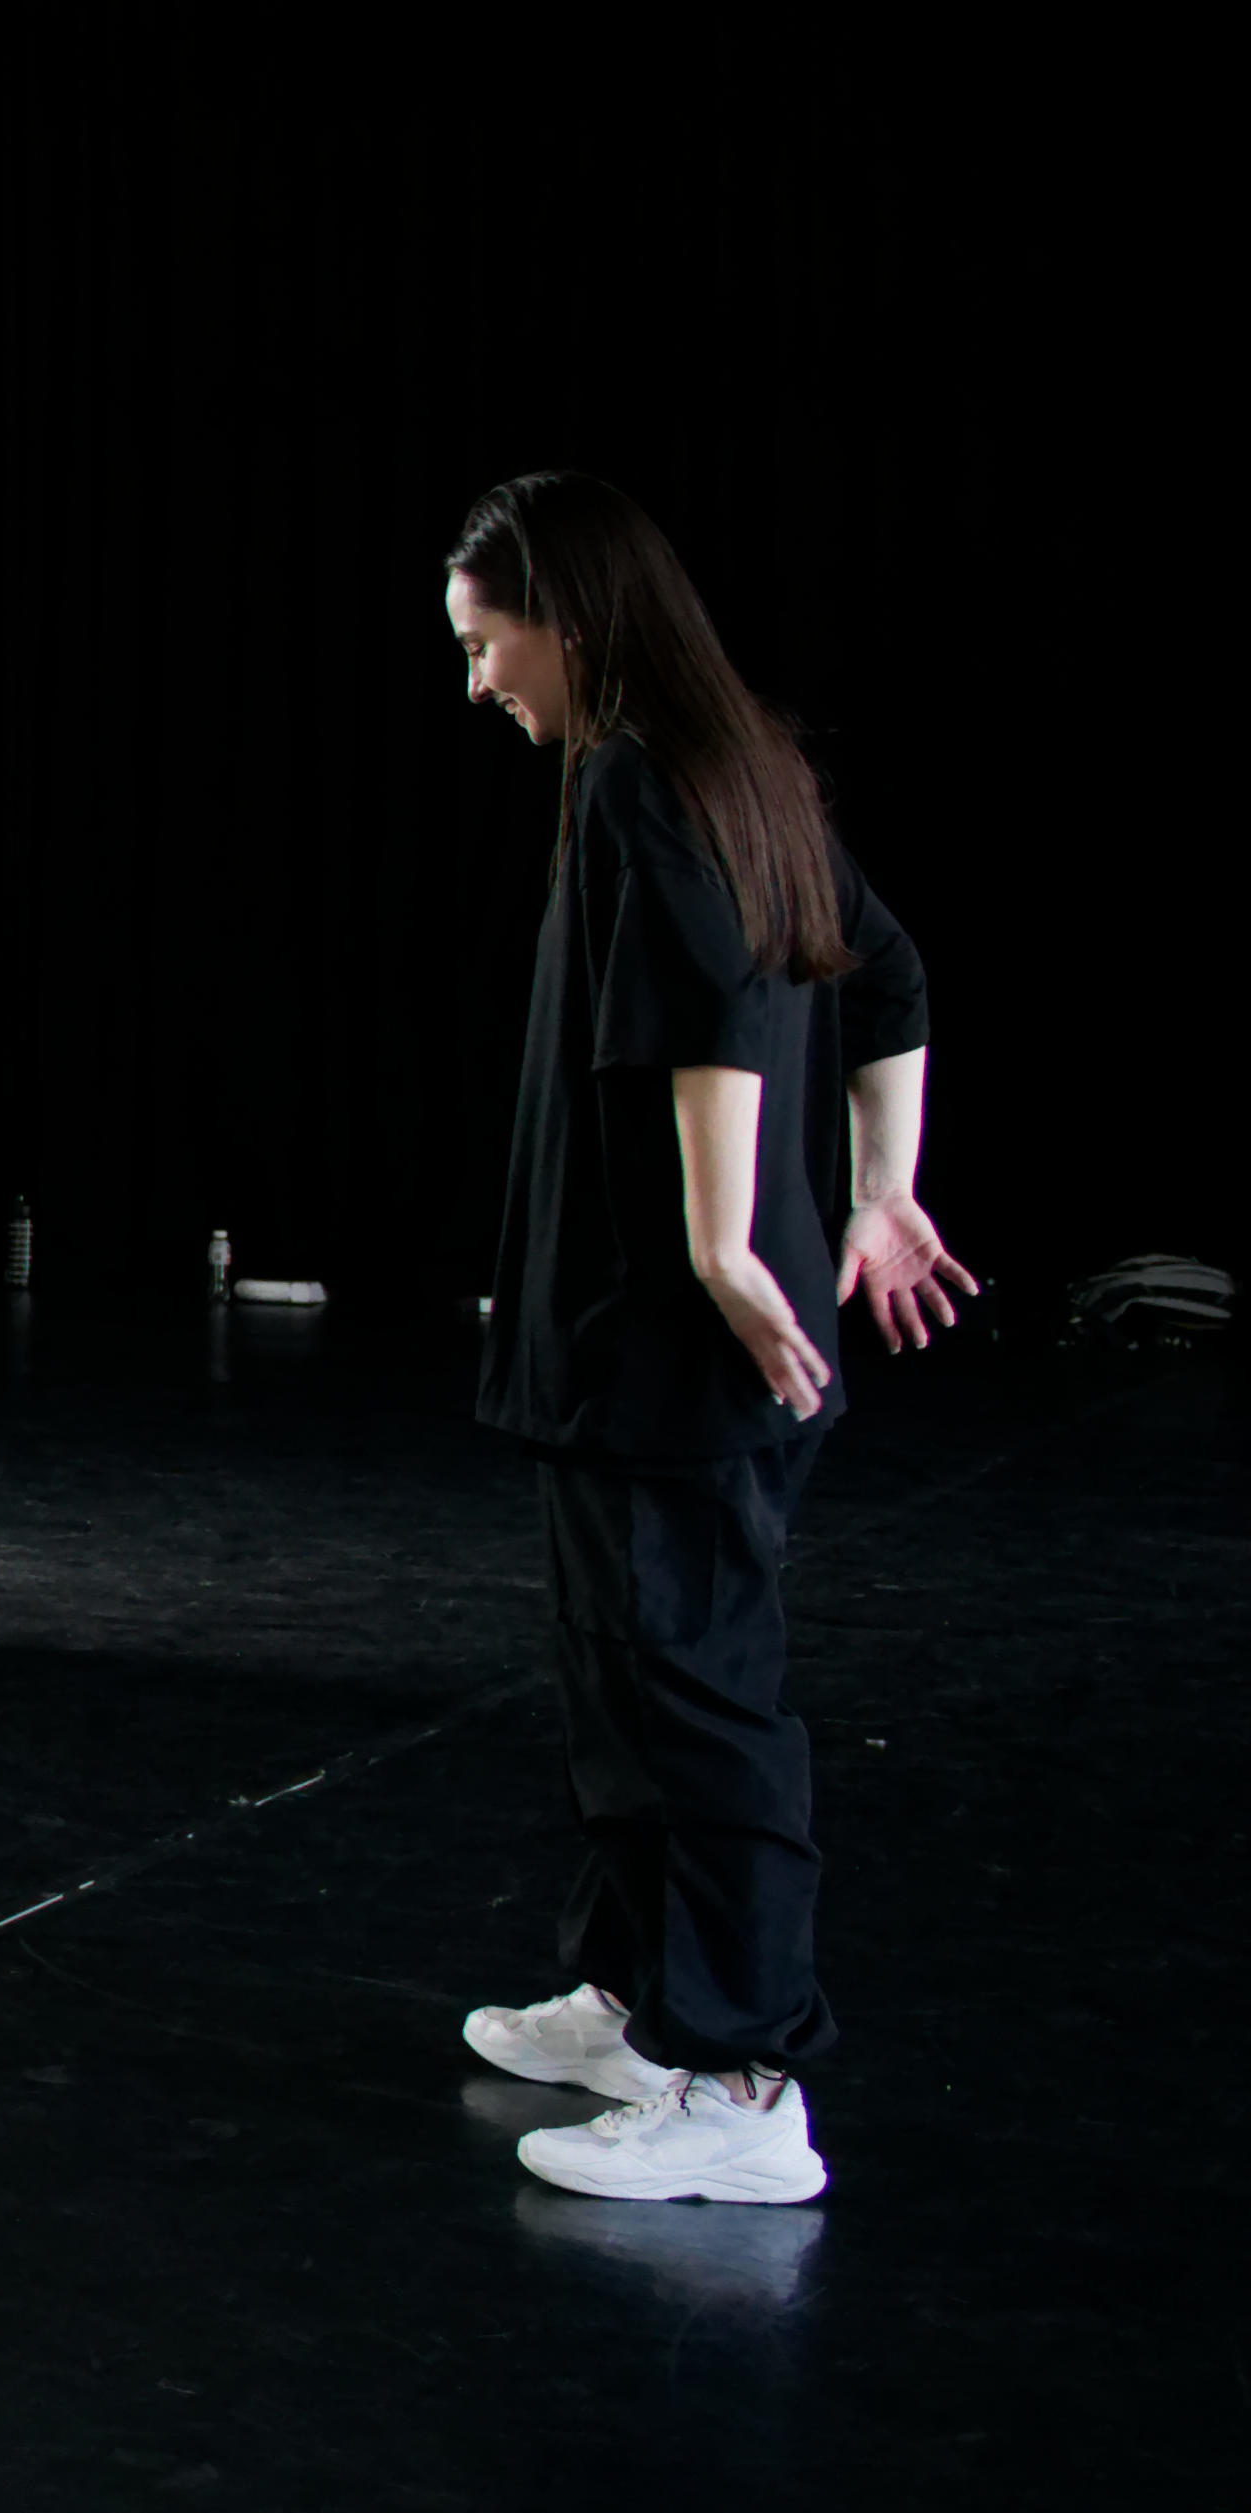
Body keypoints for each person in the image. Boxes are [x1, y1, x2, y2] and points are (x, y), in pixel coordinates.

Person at [440, 472, 957, 2210]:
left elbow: (719, 1013)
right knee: (621, 1677)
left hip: (674, 1346)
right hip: (639, 1349)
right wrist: (881, 1193)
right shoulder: (743, 768)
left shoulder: (651, 780)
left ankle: (741, 2082)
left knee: (696, 1699)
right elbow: (886, 974)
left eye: (489, 643)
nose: (480, 682)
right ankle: (636, 2001)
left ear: (573, 623)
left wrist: (727, 1245)